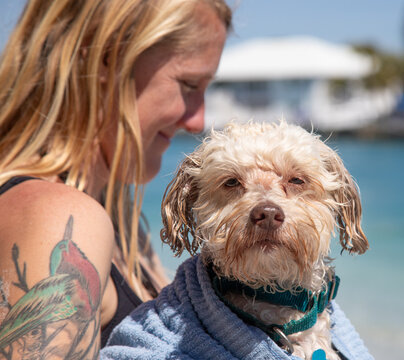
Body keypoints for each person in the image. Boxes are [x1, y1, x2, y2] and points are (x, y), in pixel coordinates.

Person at [0, 0, 231, 358]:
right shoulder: (59, 217)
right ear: (107, 56)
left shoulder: (124, 224)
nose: (198, 121)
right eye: (188, 84)